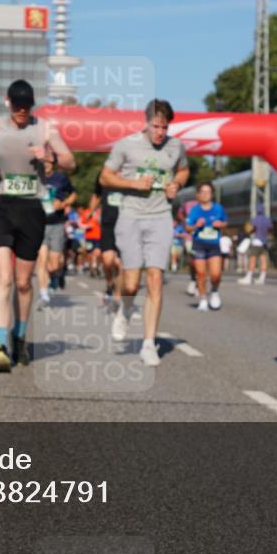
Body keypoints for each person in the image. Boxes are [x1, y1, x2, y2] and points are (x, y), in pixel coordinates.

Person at [0, 79, 75, 372]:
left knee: (22, 282)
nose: (21, 111)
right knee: (3, 279)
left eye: (26, 106)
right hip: (0, 207)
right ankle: (0, 346)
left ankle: (20, 337)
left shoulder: (44, 129)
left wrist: (51, 156)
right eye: (17, 106)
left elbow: (71, 162)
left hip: (31, 208)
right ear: (8, 102)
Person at [100, 99, 189, 366]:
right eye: (155, 126)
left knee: (155, 278)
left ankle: (149, 343)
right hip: (130, 216)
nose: (160, 132)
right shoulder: (126, 145)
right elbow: (105, 177)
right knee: (130, 283)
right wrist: (133, 183)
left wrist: (175, 183)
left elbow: (183, 170)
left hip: (161, 216)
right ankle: (125, 310)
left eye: (164, 127)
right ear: (146, 122)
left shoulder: (175, 147)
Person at [35, 159, 76, 307]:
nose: (46, 163)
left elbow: (73, 194)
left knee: (54, 264)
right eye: (43, 161)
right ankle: (44, 294)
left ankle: (56, 276)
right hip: (38, 224)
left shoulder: (60, 178)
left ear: (54, 163)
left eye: (49, 161)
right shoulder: (34, 177)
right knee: (42, 260)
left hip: (57, 223)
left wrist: (63, 204)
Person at [185, 182, 227, 311]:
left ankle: (214, 291)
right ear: (198, 195)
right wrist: (196, 226)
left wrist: (220, 224)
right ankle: (203, 299)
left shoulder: (218, 208)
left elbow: (225, 222)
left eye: (208, 192)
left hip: (214, 245)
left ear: (212, 194)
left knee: (215, 274)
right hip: (199, 245)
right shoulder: (195, 210)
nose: (205, 194)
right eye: (202, 192)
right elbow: (187, 227)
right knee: (201, 274)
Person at [89, 172, 122, 307]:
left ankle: (118, 297)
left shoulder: (130, 173)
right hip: (108, 225)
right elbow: (97, 195)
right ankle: (109, 286)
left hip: (126, 225)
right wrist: (91, 211)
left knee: (120, 263)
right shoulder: (104, 175)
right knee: (108, 262)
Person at [239, 204, 272, 285]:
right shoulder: (267, 220)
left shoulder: (255, 219)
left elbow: (251, 229)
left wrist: (250, 231)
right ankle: (262, 278)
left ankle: (249, 277)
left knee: (252, 259)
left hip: (256, 241)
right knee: (263, 260)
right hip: (264, 242)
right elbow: (270, 229)